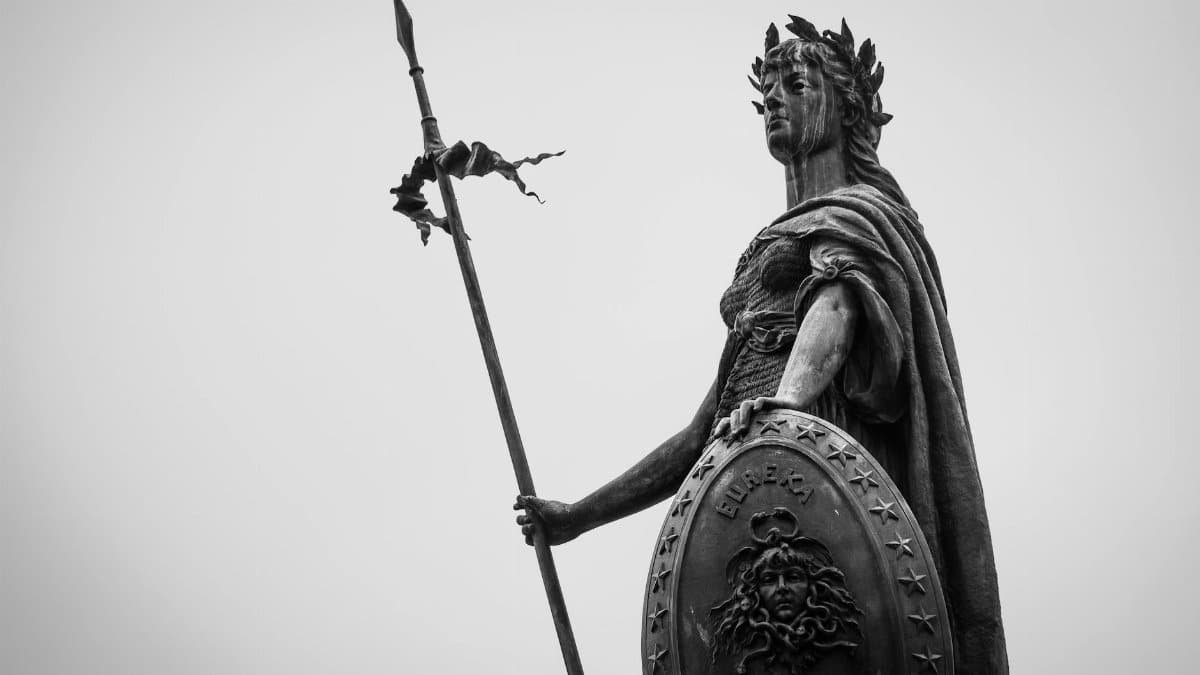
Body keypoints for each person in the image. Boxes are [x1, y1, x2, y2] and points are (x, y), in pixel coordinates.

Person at [515, 17, 1007, 674]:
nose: (775, 101)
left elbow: (837, 300)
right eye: (768, 92)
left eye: (795, 85)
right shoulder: (776, 251)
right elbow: (700, 436)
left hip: (824, 461)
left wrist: (786, 405)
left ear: (841, 105)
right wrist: (577, 516)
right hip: (759, 479)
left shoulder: (860, 213)